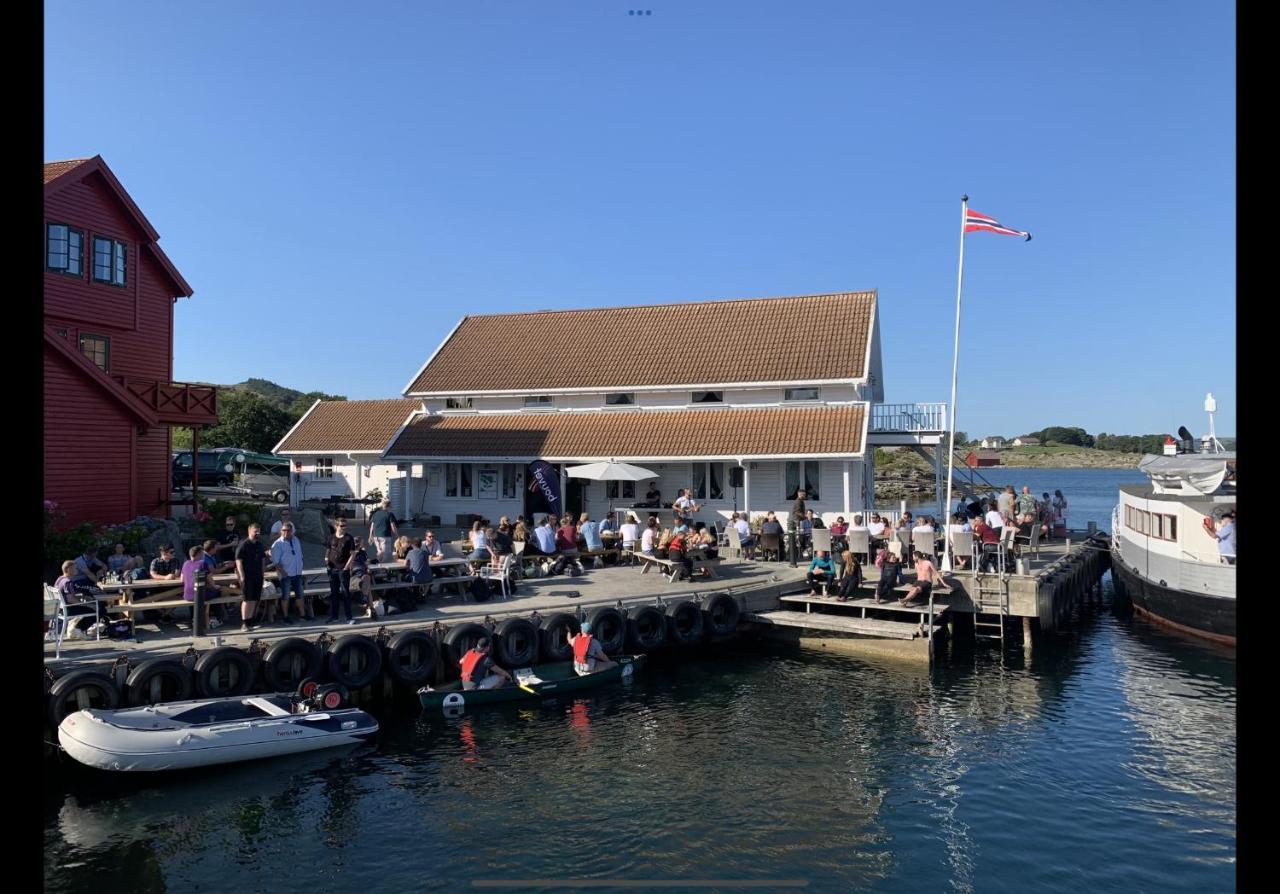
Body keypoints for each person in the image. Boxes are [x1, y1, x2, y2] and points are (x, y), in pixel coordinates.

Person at [270, 522, 306, 624]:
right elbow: (276, 562)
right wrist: (283, 573)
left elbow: (300, 555)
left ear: (291, 531)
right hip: (286, 574)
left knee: (300, 595)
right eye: (283, 530)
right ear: (281, 531)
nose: (285, 532)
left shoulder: (296, 540)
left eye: (288, 530)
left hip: (297, 573)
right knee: (285, 596)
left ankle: (303, 615)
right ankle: (285, 617)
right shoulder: (277, 544)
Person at [234, 523, 268, 632]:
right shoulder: (244, 544)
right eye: (255, 531)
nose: (257, 533)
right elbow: (238, 561)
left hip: (258, 575)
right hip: (248, 576)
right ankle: (244, 623)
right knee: (247, 599)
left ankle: (250, 622)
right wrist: (242, 575)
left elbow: (263, 560)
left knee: (254, 599)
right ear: (249, 531)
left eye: (258, 531)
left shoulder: (259, 544)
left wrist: (263, 574)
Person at [53, 559, 99, 632]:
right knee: (97, 609)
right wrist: (88, 605)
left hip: (60, 609)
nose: (77, 570)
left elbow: (66, 596)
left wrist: (83, 597)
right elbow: (70, 599)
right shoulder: (67, 582)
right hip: (69, 609)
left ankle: (76, 628)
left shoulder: (60, 579)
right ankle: (78, 630)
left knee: (92, 606)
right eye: (75, 568)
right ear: (69, 569)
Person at [181, 545, 221, 630]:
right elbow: (209, 577)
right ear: (199, 554)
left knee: (195, 595)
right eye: (202, 553)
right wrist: (214, 586)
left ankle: (193, 618)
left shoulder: (185, 563)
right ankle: (216, 618)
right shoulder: (203, 563)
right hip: (199, 595)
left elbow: (182, 579)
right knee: (218, 592)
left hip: (187, 595)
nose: (203, 555)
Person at [326, 519, 357, 623]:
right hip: (332, 568)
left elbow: (353, 554)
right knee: (334, 593)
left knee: (345, 592)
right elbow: (328, 549)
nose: (344, 528)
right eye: (342, 526)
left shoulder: (349, 538)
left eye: (345, 526)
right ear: (336, 526)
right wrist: (326, 558)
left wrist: (346, 567)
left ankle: (349, 617)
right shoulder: (331, 537)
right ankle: (334, 616)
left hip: (343, 569)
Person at [345, 537, 374, 615]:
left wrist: (367, 565)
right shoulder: (349, 553)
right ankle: (371, 608)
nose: (359, 546)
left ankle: (364, 599)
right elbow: (347, 568)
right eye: (358, 544)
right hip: (353, 578)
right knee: (368, 587)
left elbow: (367, 562)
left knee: (367, 578)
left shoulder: (363, 552)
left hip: (363, 576)